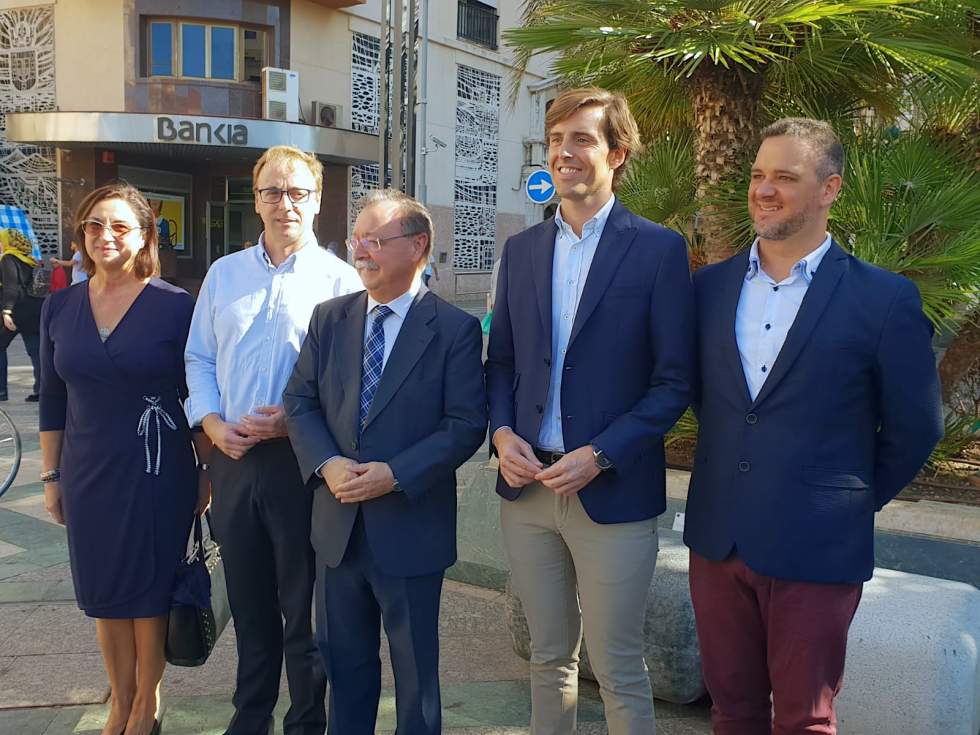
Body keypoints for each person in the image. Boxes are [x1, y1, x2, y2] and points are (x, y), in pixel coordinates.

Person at [684, 118, 944, 735]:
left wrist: (846, 499)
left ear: (829, 189)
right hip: (718, 539)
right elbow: (704, 399)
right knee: (732, 713)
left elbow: (916, 426)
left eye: (784, 177)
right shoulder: (706, 290)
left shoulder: (883, 299)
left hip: (818, 545)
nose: (763, 190)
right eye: (757, 175)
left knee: (805, 719)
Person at [485, 87, 696, 735]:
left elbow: (673, 381)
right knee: (549, 656)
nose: (563, 151)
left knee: (618, 663)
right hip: (527, 493)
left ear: (617, 152)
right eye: (555, 138)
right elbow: (500, 365)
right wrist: (500, 433)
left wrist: (602, 451)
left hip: (613, 491)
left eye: (580, 138)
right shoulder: (523, 249)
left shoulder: (657, 249)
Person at [283, 189, 487, 735]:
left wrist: (395, 474)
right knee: (343, 667)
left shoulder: (453, 330)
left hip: (410, 530)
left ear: (417, 246)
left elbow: (465, 425)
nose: (360, 251)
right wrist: (327, 463)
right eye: (357, 239)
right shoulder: (330, 318)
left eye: (374, 240)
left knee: (416, 678)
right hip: (337, 526)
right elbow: (299, 401)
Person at [184, 144, 362, 735]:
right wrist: (211, 425)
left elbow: (349, 381)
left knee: (302, 610)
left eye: (296, 192)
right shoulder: (224, 274)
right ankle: (250, 718)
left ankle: (306, 721)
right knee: (250, 605)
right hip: (232, 461)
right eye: (271, 192)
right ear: (255, 199)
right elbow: (199, 359)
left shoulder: (340, 282)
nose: (283, 203)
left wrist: (291, 422)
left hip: (302, 465)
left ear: (317, 200)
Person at [38, 182, 208, 735]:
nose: (104, 236)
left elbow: (198, 391)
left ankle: (146, 704)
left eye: (118, 226)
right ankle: (119, 701)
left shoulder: (175, 305)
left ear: (143, 237)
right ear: (81, 235)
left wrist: (206, 471)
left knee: (150, 586)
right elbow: (52, 398)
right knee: (105, 590)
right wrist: (51, 474)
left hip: (157, 465)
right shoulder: (60, 306)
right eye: (93, 225)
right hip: (87, 469)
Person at [0, 228, 44, 401]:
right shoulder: (29, 260)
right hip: (34, 311)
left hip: (17, 311)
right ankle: (41, 390)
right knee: (36, 351)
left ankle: (1, 390)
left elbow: (11, 286)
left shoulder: (8, 259)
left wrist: (7, 312)